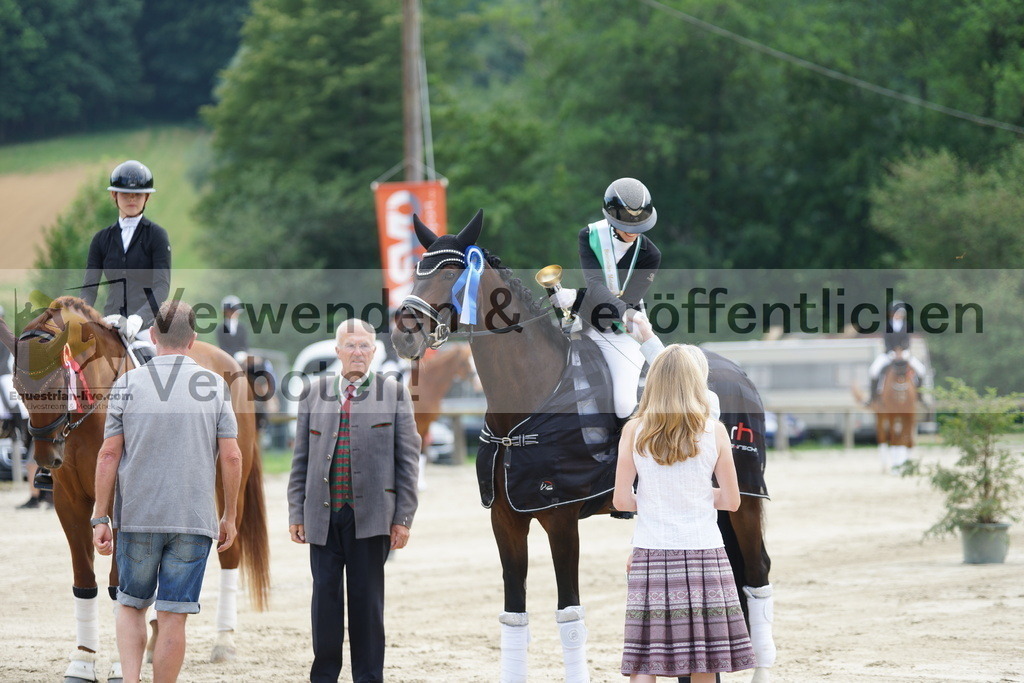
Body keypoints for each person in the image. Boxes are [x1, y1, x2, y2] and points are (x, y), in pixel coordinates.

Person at [91, 301, 242, 683]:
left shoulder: (126, 384)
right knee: (173, 617)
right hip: (193, 520)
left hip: (139, 517)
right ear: (192, 340)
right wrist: (230, 516)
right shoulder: (215, 385)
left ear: (153, 336)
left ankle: (130, 680)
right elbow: (233, 457)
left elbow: (109, 453)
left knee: (130, 605)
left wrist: (100, 515)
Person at [288, 318, 420, 683]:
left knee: (367, 605)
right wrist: (295, 512)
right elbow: (301, 459)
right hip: (322, 518)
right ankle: (325, 676)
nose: (358, 352)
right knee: (324, 605)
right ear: (338, 351)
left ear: (374, 352)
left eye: (364, 346)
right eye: (350, 345)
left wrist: (403, 518)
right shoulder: (313, 392)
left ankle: (368, 678)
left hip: (373, 518)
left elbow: (408, 461)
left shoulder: (394, 393)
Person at [613, 344, 756, 682]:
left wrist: (653, 499)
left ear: (654, 382)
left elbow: (621, 500)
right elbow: (732, 501)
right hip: (705, 553)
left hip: (652, 552)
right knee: (702, 659)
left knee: (645, 658)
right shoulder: (714, 430)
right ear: (695, 381)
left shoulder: (633, 430)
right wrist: (695, 494)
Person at [549, 177, 662, 419]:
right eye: (627, 227)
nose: (633, 233)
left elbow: (627, 301)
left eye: (639, 227)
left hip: (623, 329)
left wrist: (576, 298)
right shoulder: (590, 236)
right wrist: (577, 301)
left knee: (623, 404)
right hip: (586, 322)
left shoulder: (650, 255)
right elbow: (596, 284)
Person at [81, 159, 171, 347]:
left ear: (147, 197)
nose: (131, 199)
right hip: (110, 322)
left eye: (137, 195)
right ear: (114, 194)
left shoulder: (157, 235)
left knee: (155, 369)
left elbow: (162, 286)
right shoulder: (101, 239)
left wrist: (138, 319)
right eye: (126, 194)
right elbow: (89, 288)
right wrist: (81, 315)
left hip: (146, 327)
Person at [866, 300, 925, 405]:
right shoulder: (887, 325)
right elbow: (886, 341)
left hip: (904, 353)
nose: (900, 315)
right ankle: (873, 397)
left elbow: (907, 341)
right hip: (889, 354)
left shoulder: (906, 325)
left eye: (902, 313)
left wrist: (902, 351)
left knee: (921, 370)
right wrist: (892, 352)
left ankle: (919, 396)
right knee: (873, 371)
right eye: (898, 313)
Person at [217, 295, 249, 365]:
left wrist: (241, 355)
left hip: (242, 357)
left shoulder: (242, 327)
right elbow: (222, 347)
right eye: (230, 311)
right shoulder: (220, 329)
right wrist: (234, 356)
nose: (232, 313)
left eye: (234, 311)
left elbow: (245, 345)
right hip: (227, 358)